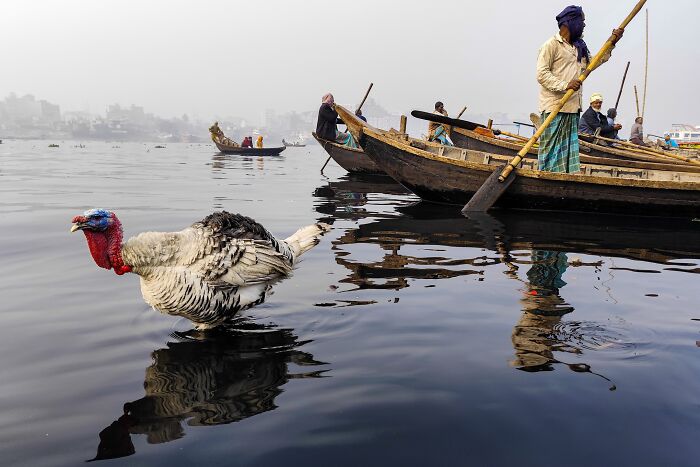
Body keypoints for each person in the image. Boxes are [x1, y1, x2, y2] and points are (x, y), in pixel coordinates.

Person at [536, 5, 623, 173]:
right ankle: (547, 178)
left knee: (567, 155)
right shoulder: (551, 45)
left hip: (572, 108)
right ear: (570, 23)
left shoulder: (579, 47)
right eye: (582, 21)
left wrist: (611, 43)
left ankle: (564, 180)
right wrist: (565, 85)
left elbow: (593, 63)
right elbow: (541, 74)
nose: (584, 25)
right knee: (550, 153)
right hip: (555, 106)